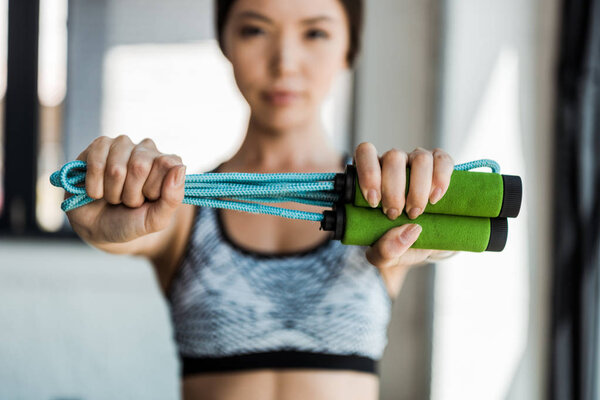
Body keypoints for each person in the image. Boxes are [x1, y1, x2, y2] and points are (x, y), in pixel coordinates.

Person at [66, 0, 456, 398]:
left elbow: (435, 244)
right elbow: (119, 230)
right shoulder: (183, 208)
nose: (285, 63)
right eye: (255, 30)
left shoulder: (383, 202)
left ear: (349, 48)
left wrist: (443, 224)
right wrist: (94, 212)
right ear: (225, 42)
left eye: (315, 33)